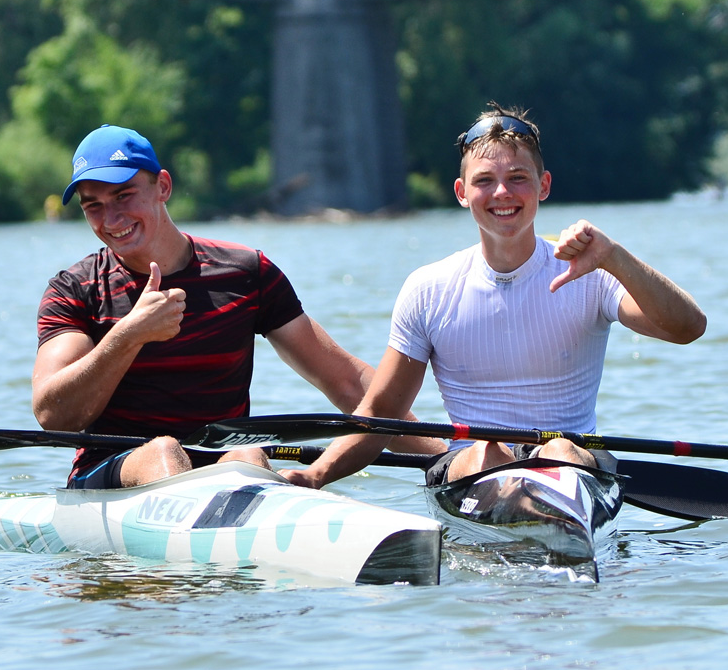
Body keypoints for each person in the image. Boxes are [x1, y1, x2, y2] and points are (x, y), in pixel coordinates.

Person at [281, 105, 706, 490]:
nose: (502, 193)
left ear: (543, 186)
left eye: (517, 178)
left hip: (572, 459)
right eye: (485, 181)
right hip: (471, 465)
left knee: (558, 451)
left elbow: (688, 329)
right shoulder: (428, 289)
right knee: (486, 452)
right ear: (462, 193)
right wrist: (318, 474)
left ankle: (550, 523)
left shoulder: (590, 271)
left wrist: (616, 258)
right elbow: (382, 410)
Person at [32, 124, 441, 488]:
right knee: (163, 451)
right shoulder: (74, 290)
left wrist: (444, 458)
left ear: (163, 187)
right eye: (93, 205)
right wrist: (129, 334)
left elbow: (348, 383)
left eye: (123, 195)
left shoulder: (246, 273)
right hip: (109, 472)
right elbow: (53, 415)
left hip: (221, 461)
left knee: (248, 455)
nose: (111, 218)